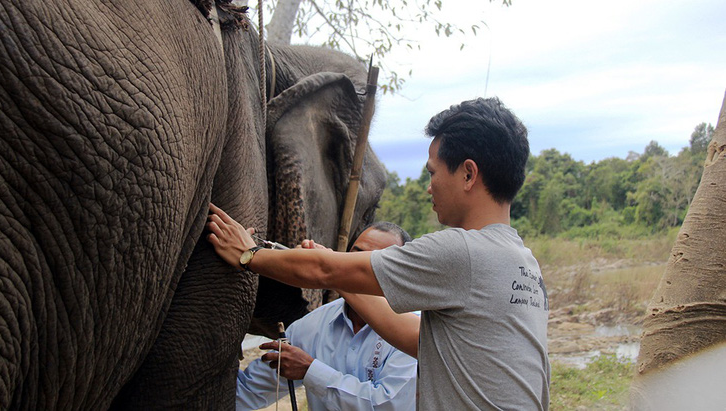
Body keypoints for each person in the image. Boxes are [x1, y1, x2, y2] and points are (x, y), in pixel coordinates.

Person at [208, 97, 550, 410]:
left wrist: (249, 255)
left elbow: (324, 271)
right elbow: (421, 342)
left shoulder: (463, 252)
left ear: (468, 173)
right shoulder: (523, 263)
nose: (429, 186)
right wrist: (344, 277)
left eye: (432, 172)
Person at [235, 222, 417, 410]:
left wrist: (310, 371)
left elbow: (389, 405)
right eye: (356, 256)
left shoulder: (416, 332)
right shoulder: (311, 326)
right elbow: (247, 391)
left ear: (400, 275)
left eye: (376, 262)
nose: (360, 267)